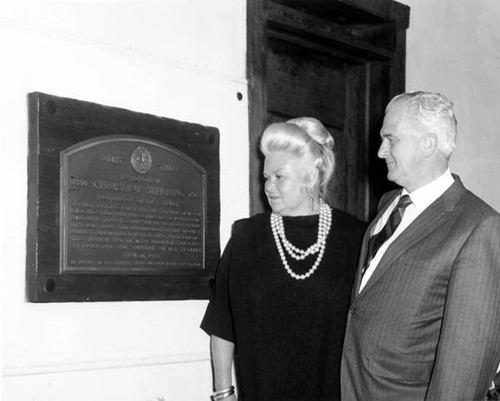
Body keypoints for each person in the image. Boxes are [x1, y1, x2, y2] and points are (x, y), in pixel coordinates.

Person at [341, 91, 500, 401]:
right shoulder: (388, 204)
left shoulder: (478, 227)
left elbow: (464, 368)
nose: (380, 150)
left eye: (391, 139)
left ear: (428, 143)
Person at [201, 117, 366, 401]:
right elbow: (222, 324)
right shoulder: (246, 237)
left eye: (279, 176)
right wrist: (223, 393)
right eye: (266, 177)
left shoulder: (356, 238)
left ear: (311, 177)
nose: (269, 186)